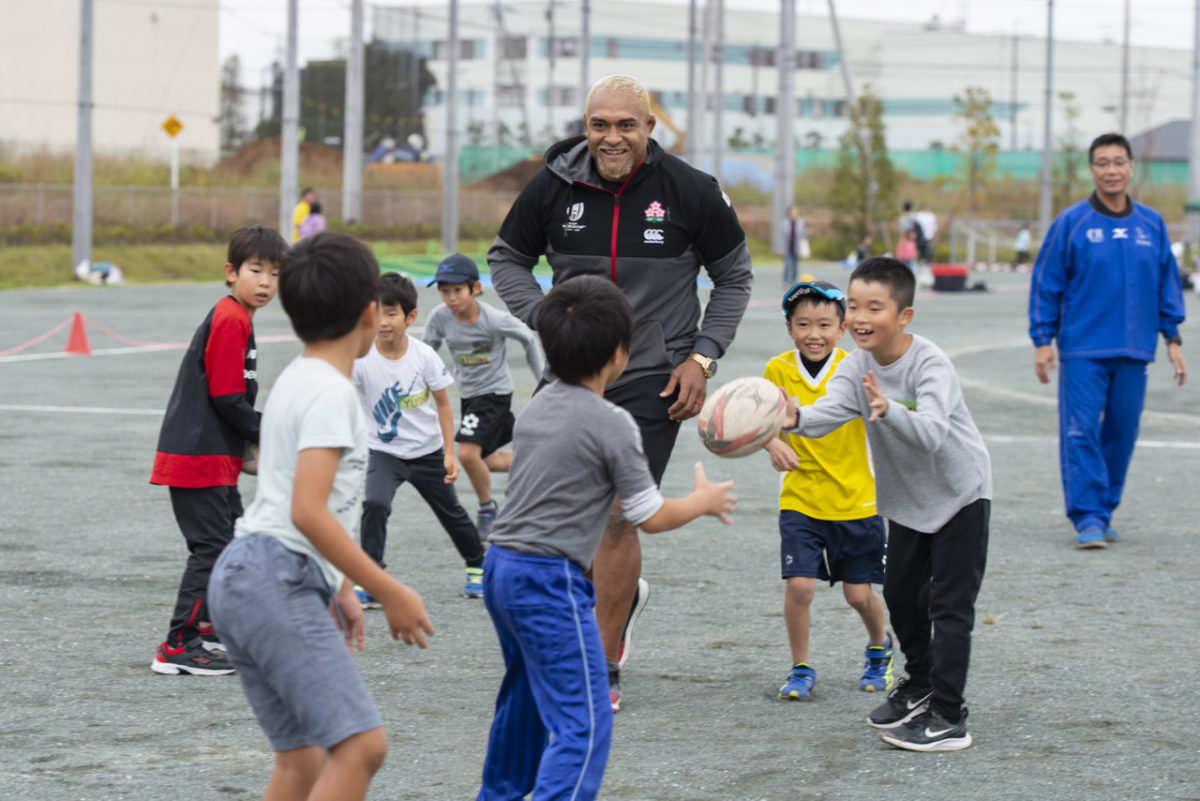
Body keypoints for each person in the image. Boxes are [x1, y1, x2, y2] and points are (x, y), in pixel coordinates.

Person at [488, 73, 753, 713]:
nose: (612, 137)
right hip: (570, 373)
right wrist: (550, 319)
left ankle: (601, 664)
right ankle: (614, 599)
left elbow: (734, 277)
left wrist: (701, 357)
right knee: (563, 513)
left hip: (652, 377)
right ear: (585, 126)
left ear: (648, 129)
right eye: (599, 124)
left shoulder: (691, 191)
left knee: (615, 514)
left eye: (626, 125)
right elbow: (506, 259)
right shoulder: (552, 184)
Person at [477, 275, 736, 801]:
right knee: (585, 721)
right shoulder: (612, 421)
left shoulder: (538, 406)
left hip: (500, 569)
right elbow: (648, 514)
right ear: (622, 353)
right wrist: (702, 502)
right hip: (548, 580)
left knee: (522, 702)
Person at [207, 231, 434, 801]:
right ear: (365, 311)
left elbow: (291, 497)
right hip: (274, 575)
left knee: (302, 758)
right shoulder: (334, 394)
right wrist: (388, 588)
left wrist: (338, 588)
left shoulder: (296, 377)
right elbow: (308, 511)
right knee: (361, 747)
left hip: (245, 573)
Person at [782, 257, 991, 752]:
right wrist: (792, 415)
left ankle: (948, 715)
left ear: (904, 316)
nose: (858, 318)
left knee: (950, 606)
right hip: (909, 503)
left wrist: (889, 409)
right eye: (853, 305)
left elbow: (935, 433)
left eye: (874, 307)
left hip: (961, 494)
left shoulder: (930, 364)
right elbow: (830, 411)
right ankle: (919, 685)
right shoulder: (856, 364)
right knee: (899, 595)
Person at [1029, 132, 1187, 549]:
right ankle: (1089, 518)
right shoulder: (1071, 223)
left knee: (1122, 432)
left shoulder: (1151, 224)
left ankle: (1106, 508)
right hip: (1083, 349)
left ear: (1131, 167)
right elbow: (1047, 283)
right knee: (1081, 432)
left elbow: (1165, 282)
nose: (1111, 170)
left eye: (1119, 161)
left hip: (1135, 348)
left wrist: (1172, 337)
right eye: (1102, 162)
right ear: (1092, 169)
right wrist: (1043, 340)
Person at [149, 225, 287, 675]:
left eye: (274, 273)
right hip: (198, 455)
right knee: (212, 546)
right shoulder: (230, 317)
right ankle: (177, 646)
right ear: (231, 272)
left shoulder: (239, 317)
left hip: (211, 454)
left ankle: (206, 627)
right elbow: (228, 398)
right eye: (255, 270)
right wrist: (272, 431)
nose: (265, 282)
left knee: (230, 538)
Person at [763, 280, 893, 702]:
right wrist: (771, 442)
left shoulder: (860, 369)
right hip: (800, 496)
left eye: (824, 324)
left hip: (857, 499)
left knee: (860, 594)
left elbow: (900, 408)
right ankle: (800, 667)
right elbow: (755, 418)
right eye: (803, 324)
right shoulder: (777, 371)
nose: (813, 333)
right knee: (800, 586)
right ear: (789, 328)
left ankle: (879, 646)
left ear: (842, 329)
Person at [352, 272, 487, 600]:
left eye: (392, 312)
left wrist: (449, 453)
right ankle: (371, 577)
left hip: (427, 452)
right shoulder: (361, 355)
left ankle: (478, 566)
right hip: (384, 452)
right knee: (374, 503)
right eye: (376, 311)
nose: (383, 321)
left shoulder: (424, 356)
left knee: (451, 512)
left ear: (410, 317)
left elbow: (443, 405)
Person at [422, 253, 545, 539]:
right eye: (444, 291)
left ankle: (487, 510)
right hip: (469, 397)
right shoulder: (439, 318)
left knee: (466, 453)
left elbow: (528, 339)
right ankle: (544, 462)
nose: (451, 298)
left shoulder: (494, 319)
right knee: (486, 461)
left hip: (494, 395)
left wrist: (543, 382)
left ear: (475, 289)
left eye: (457, 290)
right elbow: (426, 352)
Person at [775, 205, 807, 287]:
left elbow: (803, 234)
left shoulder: (800, 222)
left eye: (796, 212)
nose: (794, 214)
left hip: (796, 248)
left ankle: (794, 281)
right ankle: (785, 281)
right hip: (787, 247)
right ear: (789, 213)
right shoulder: (784, 223)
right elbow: (780, 236)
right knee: (787, 265)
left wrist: (807, 232)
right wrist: (780, 248)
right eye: (793, 212)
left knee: (795, 265)